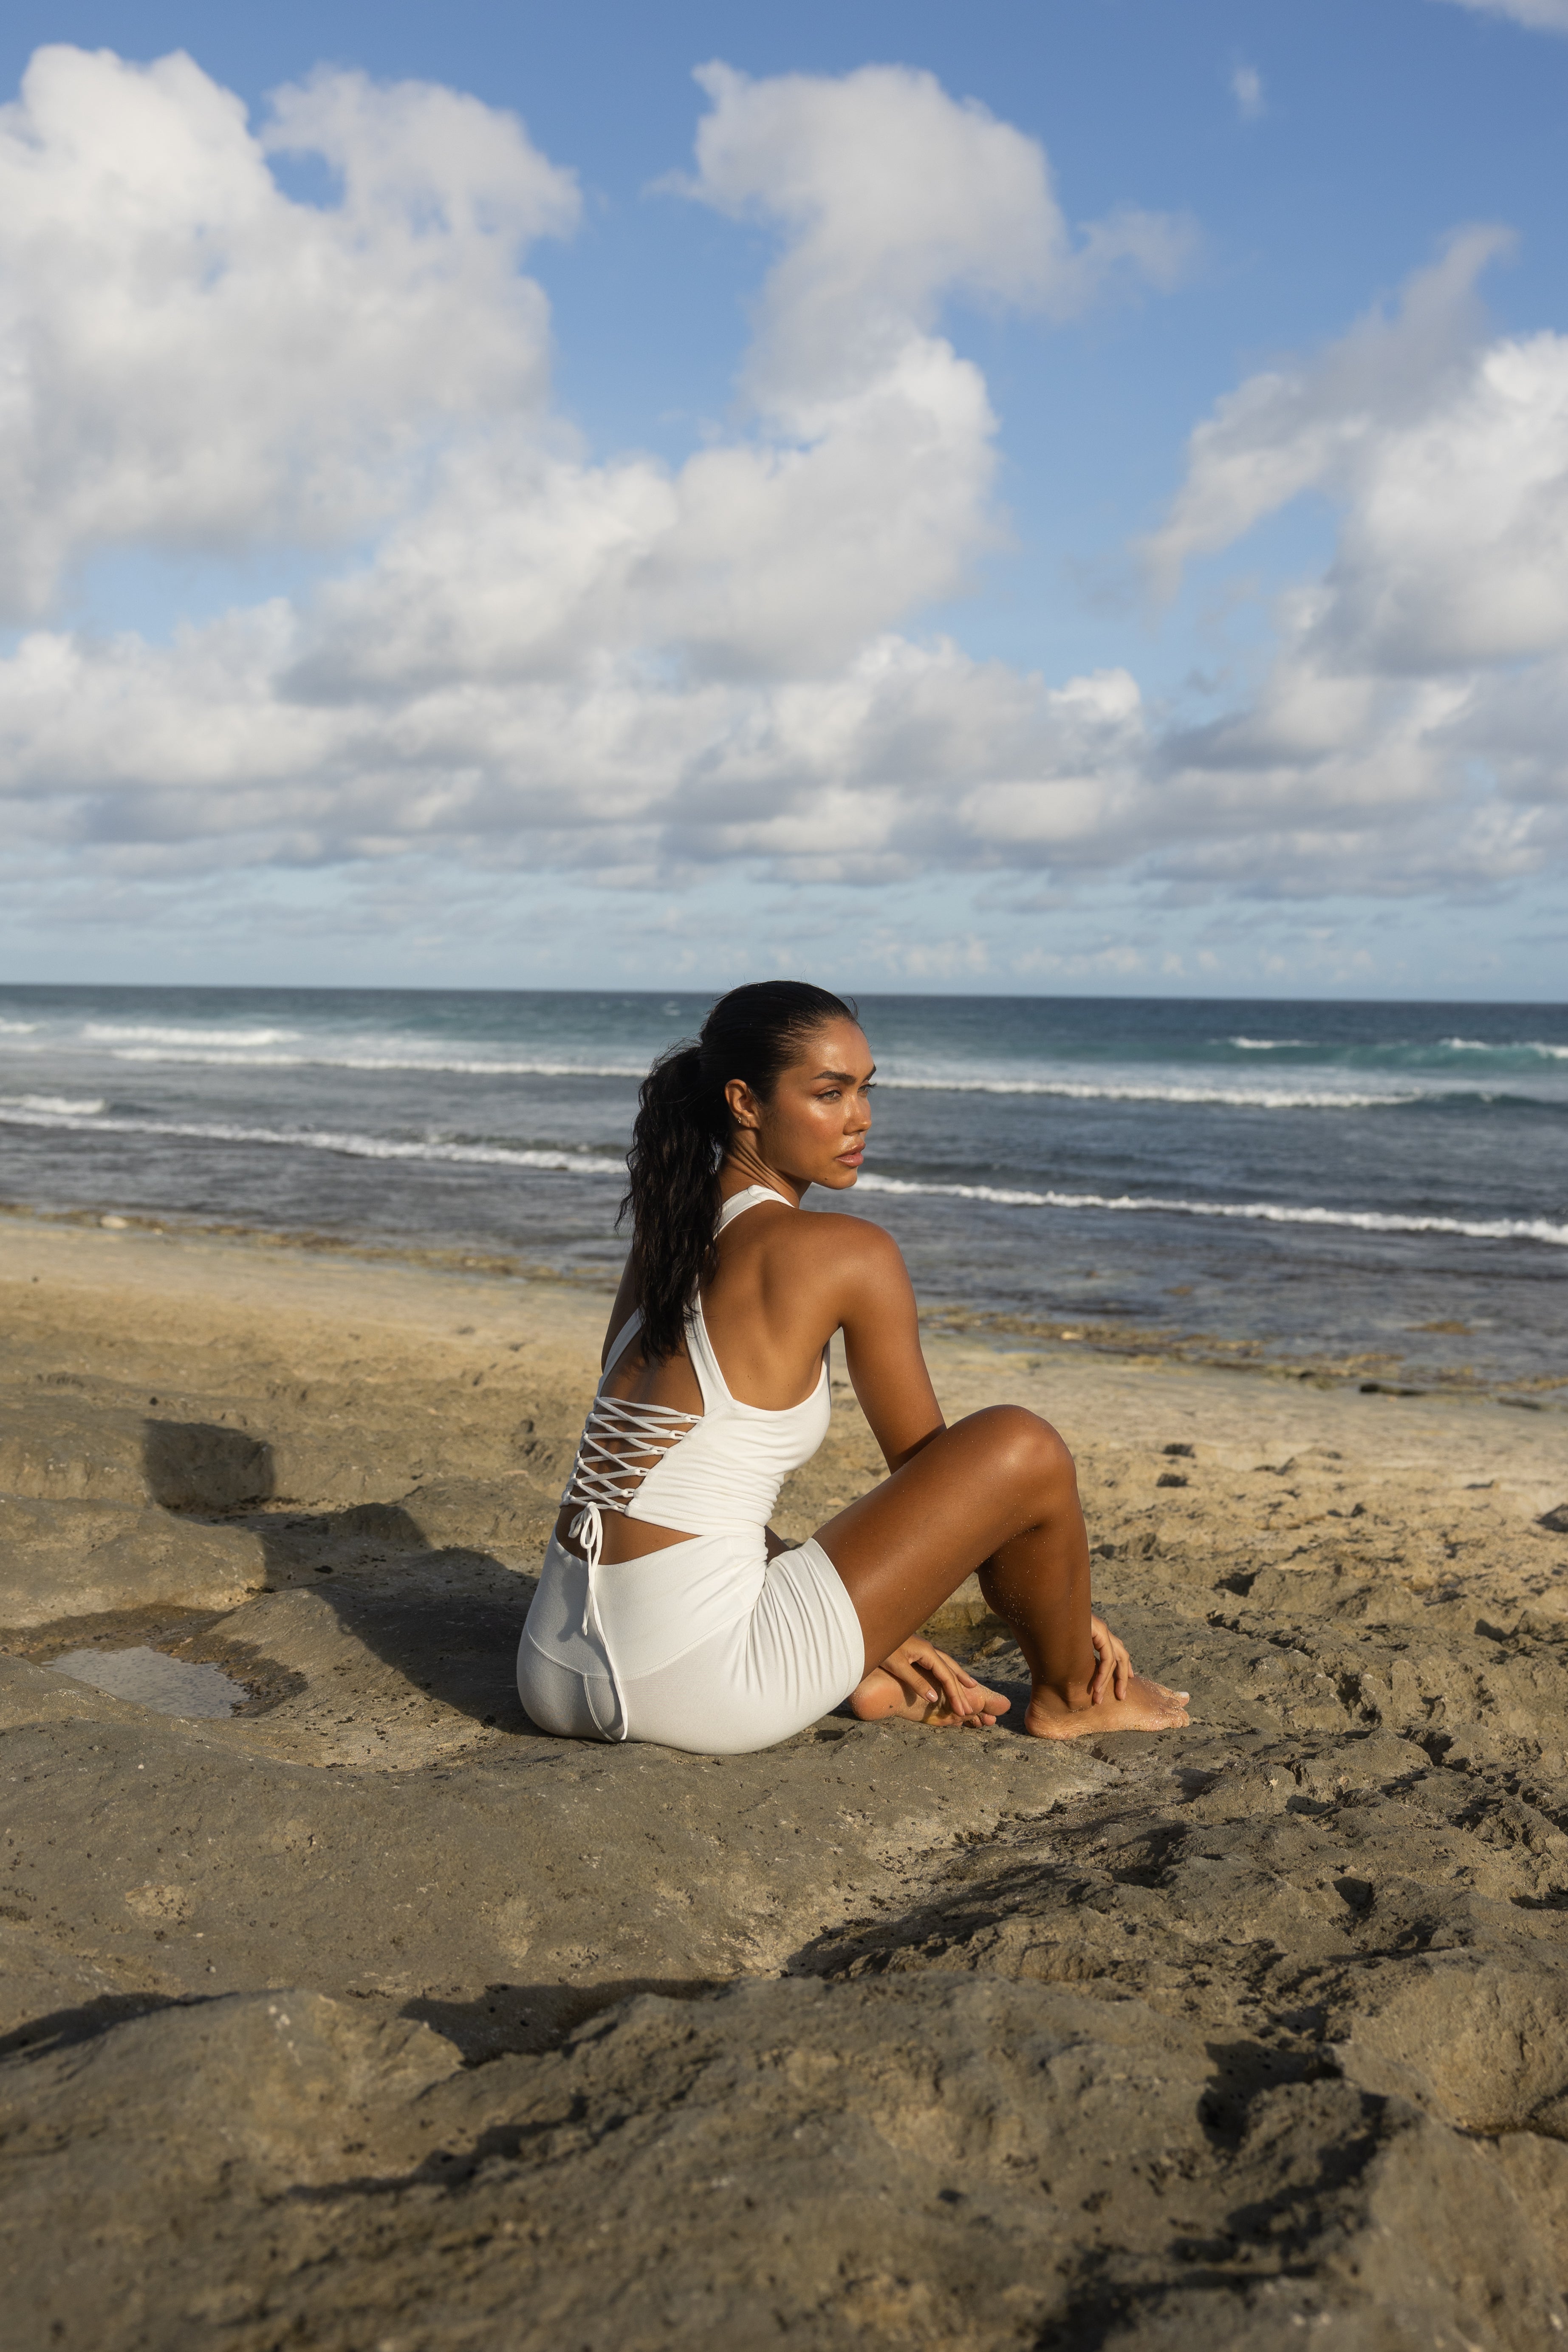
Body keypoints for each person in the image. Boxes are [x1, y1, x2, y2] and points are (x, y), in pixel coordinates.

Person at [516, 981, 1190, 1755]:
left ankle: (855, 1671)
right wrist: (1062, 1612)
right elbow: (939, 1478)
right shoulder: (849, 1255)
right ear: (745, 1102)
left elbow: (653, 1475)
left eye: (866, 1090)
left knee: (768, 1554)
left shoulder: (667, 1238)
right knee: (1021, 1444)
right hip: (697, 1687)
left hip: (551, 1671)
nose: (860, 1118)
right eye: (830, 1093)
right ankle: (1073, 1696)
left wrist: (873, 1623)